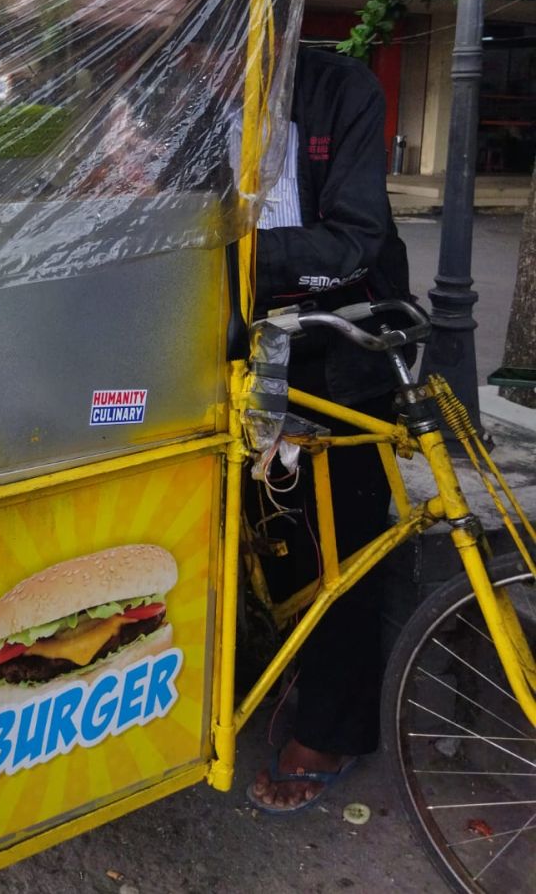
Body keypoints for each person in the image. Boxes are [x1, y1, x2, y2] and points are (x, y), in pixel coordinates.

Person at [244, 44, 412, 813]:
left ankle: (331, 729)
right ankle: (287, 671)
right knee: (270, 529)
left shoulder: (340, 89)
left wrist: (227, 249)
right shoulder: (186, 95)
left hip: (343, 341)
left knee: (346, 539)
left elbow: (355, 235)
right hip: (240, 344)